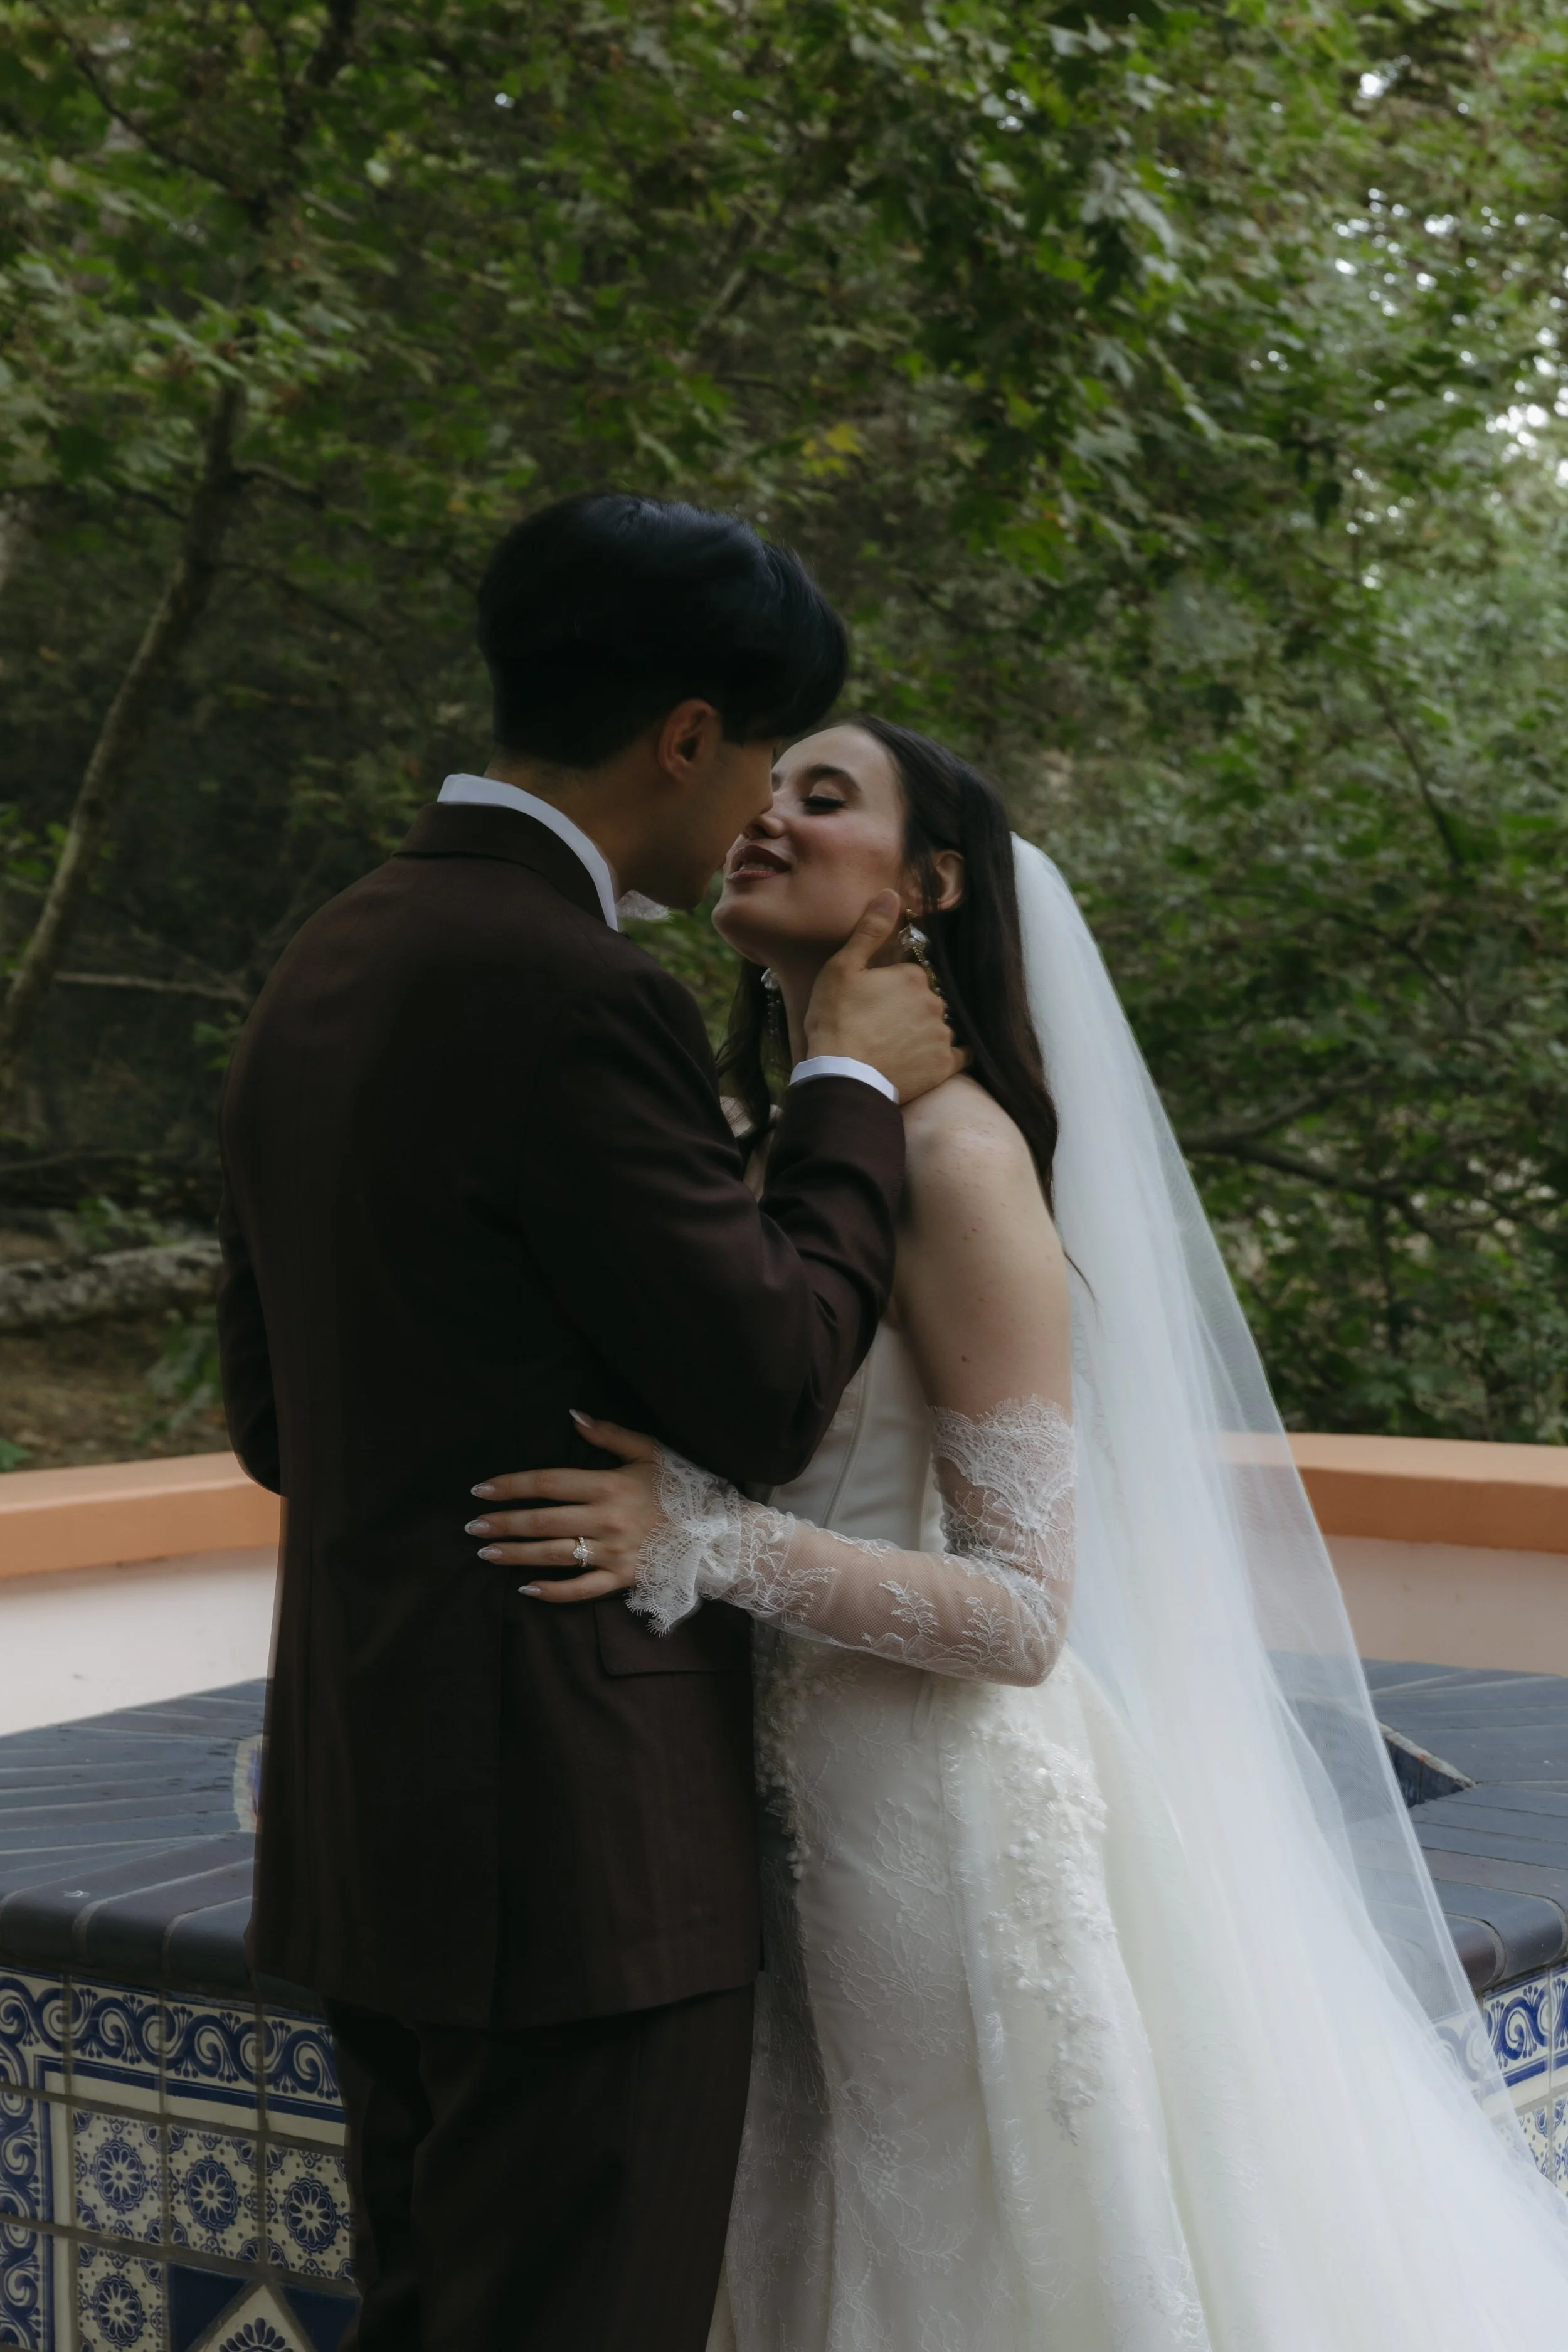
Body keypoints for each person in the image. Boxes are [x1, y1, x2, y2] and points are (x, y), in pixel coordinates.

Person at [494, 718, 1568, 2348]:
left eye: (821, 797)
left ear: (929, 884)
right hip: (768, 1808)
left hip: (929, 1824)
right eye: (768, 787)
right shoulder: (787, 1145)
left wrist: (696, 1540)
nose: (764, 816)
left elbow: (1021, 1610)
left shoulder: (962, 1157)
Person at [215, 499, 963, 2352]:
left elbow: (271, 1421)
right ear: (686, 735)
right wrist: (849, 1092)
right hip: (575, 1861)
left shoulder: (325, 957)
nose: (753, 820)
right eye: (761, 764)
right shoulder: (577, 989)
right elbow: (772, 1389)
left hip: (363, 1821)